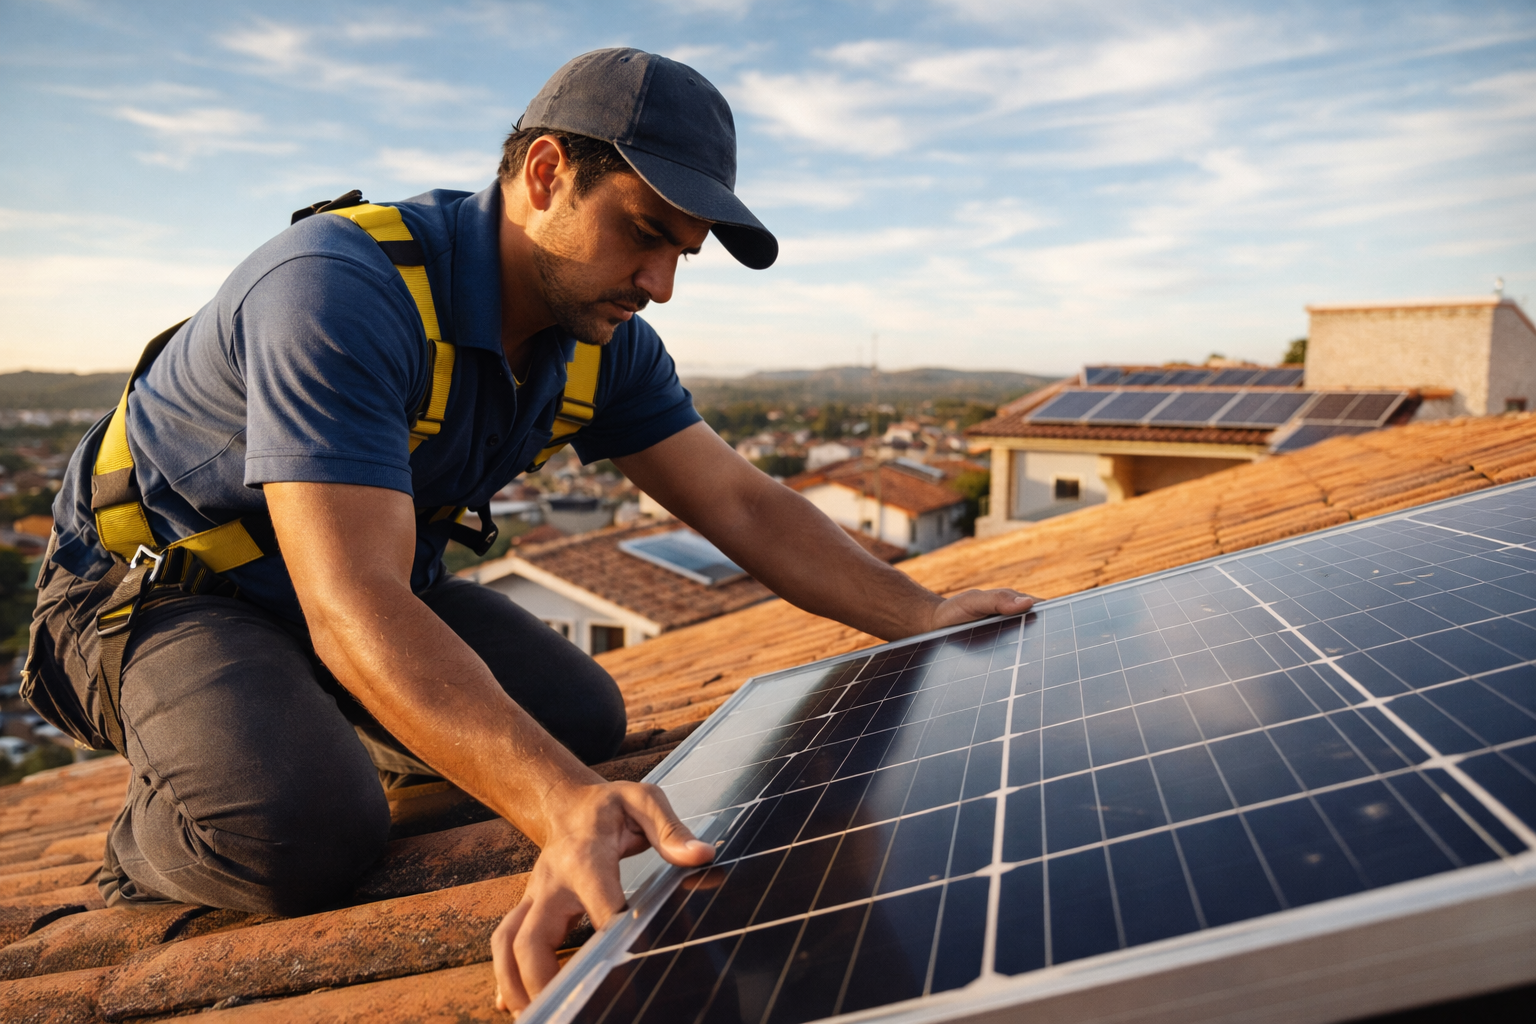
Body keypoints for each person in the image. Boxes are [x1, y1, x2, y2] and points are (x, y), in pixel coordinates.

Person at [23, 47, 1032, 1014]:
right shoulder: (338, 290)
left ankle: (303, 720)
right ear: (545, 173)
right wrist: (557, 806)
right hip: (161, 596)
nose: (661, 284)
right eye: (644, 232)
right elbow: (353, 601)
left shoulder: (602, 342)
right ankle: (165, 831)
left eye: (681, 255)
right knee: (302, 832)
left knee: (579, 720)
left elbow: (742, 503)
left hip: (346, 592)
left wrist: (921, 611)